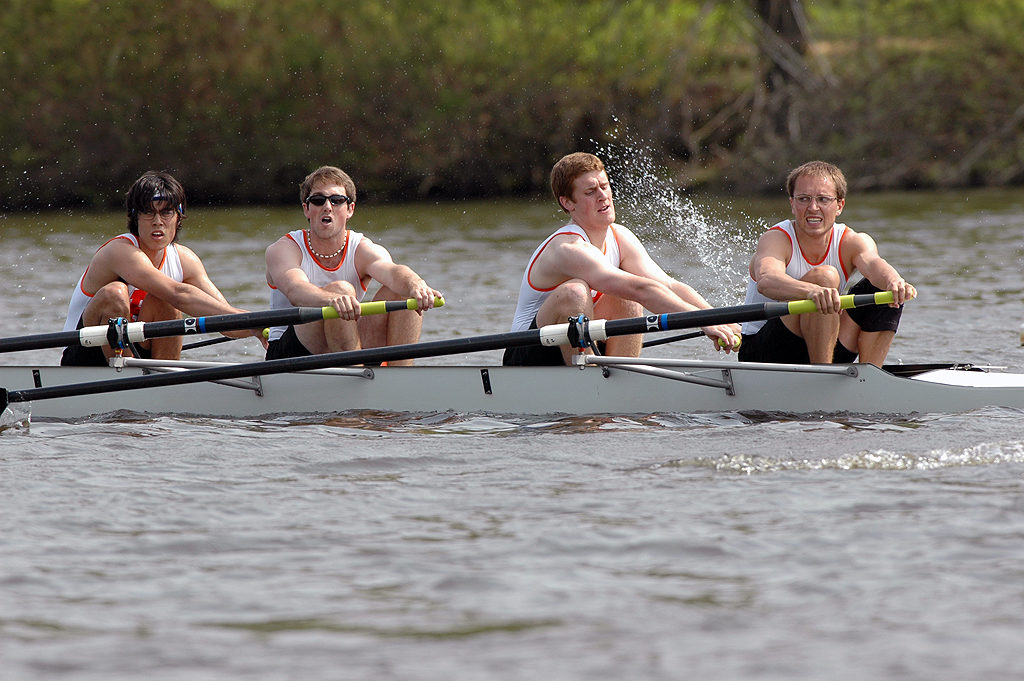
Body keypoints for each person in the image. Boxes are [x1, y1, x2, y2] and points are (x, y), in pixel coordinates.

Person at [503, 152, 740, 366]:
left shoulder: (620, 236)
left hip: (578, 343)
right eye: (590, 192)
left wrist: (719, 319)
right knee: (576, 292)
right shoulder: (568, 247)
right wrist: (703, 323)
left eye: (605, 187)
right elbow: (640, 288)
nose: (602, 196)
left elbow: (668, 285)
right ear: (568, 203)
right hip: (529, 353)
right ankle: (588, 382)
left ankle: (620, 378)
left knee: (626, 300)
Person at [61, 171, 264, 366]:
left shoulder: (186, 260)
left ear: (178, 216)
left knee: (164, 302)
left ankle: (161, 383)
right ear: (135, 217)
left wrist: (262, 328)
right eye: (149, 212)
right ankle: (129, 375)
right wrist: (251, 321)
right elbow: (178, 293)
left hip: (139, 353)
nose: (158, 222)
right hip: (85, 352)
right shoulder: (119, 251)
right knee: (115, 293)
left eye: (166, 212)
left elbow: (224, 321)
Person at [739, 160, 916, 367]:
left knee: (885, 288)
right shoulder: (776, 239)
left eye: (823, 199)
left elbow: (874, 264)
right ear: (792, 204)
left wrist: (896, 282)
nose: (813, 208)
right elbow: (767, 281)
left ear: (839, 205)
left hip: (827, 343)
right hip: (765, 352)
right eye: (804, 199)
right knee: (825, 278)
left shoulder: (853, 241)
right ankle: (823, 375)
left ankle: (868, 376)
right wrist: (811, 291)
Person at [264, 165, 441, 365]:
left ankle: (399, 380)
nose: (328, 207)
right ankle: (357, 379)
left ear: (350, 209)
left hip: (345, 342)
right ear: (307, 209)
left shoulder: (362, 249)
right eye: (318, 200)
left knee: (403, 292)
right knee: (341, 289)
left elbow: (393, 272)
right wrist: (333, 299)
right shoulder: (284, 249)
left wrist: (417, 285)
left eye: (337, 200)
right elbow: (296, 290)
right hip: (289, 354)